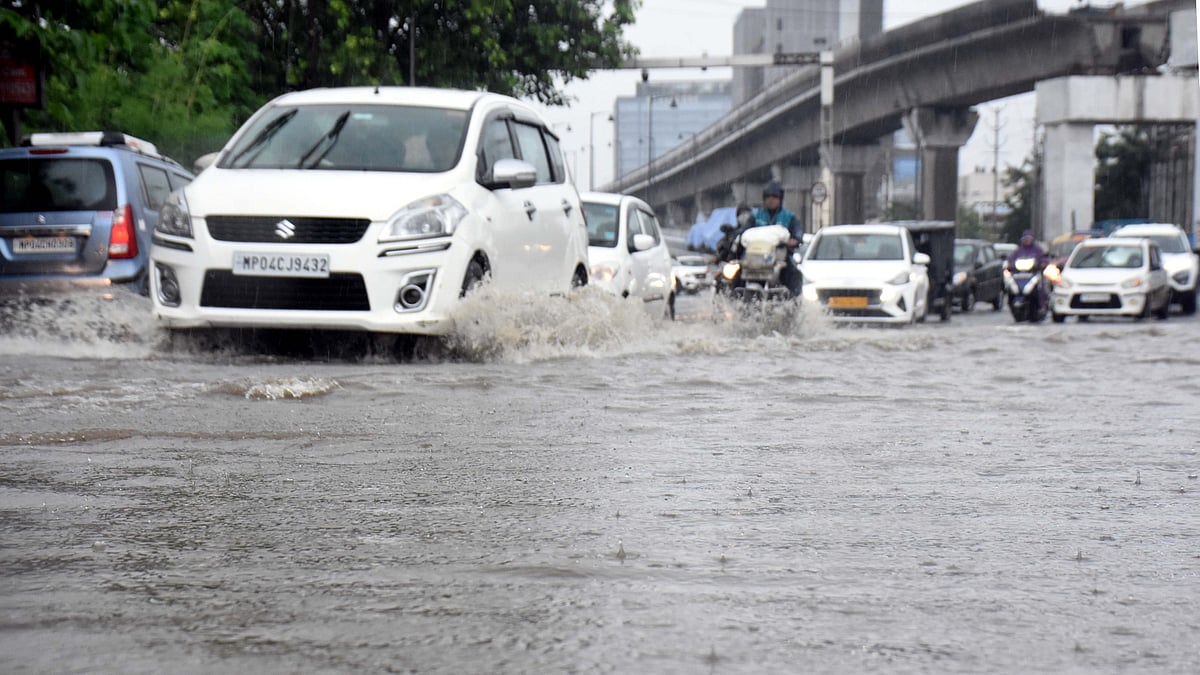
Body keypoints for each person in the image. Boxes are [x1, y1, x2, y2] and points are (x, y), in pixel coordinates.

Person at [752, 180, 803, 296]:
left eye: (775, 196)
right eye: (768, 196)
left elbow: (798, 231)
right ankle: (734, 300)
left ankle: (793, 302)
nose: (771, 199)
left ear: (780, 199)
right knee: (735, 271)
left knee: (794, 272)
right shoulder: (755, 216)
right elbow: (745, 230)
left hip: (781, 257)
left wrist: (795, 239)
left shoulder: (789, 216)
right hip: (756, 257)